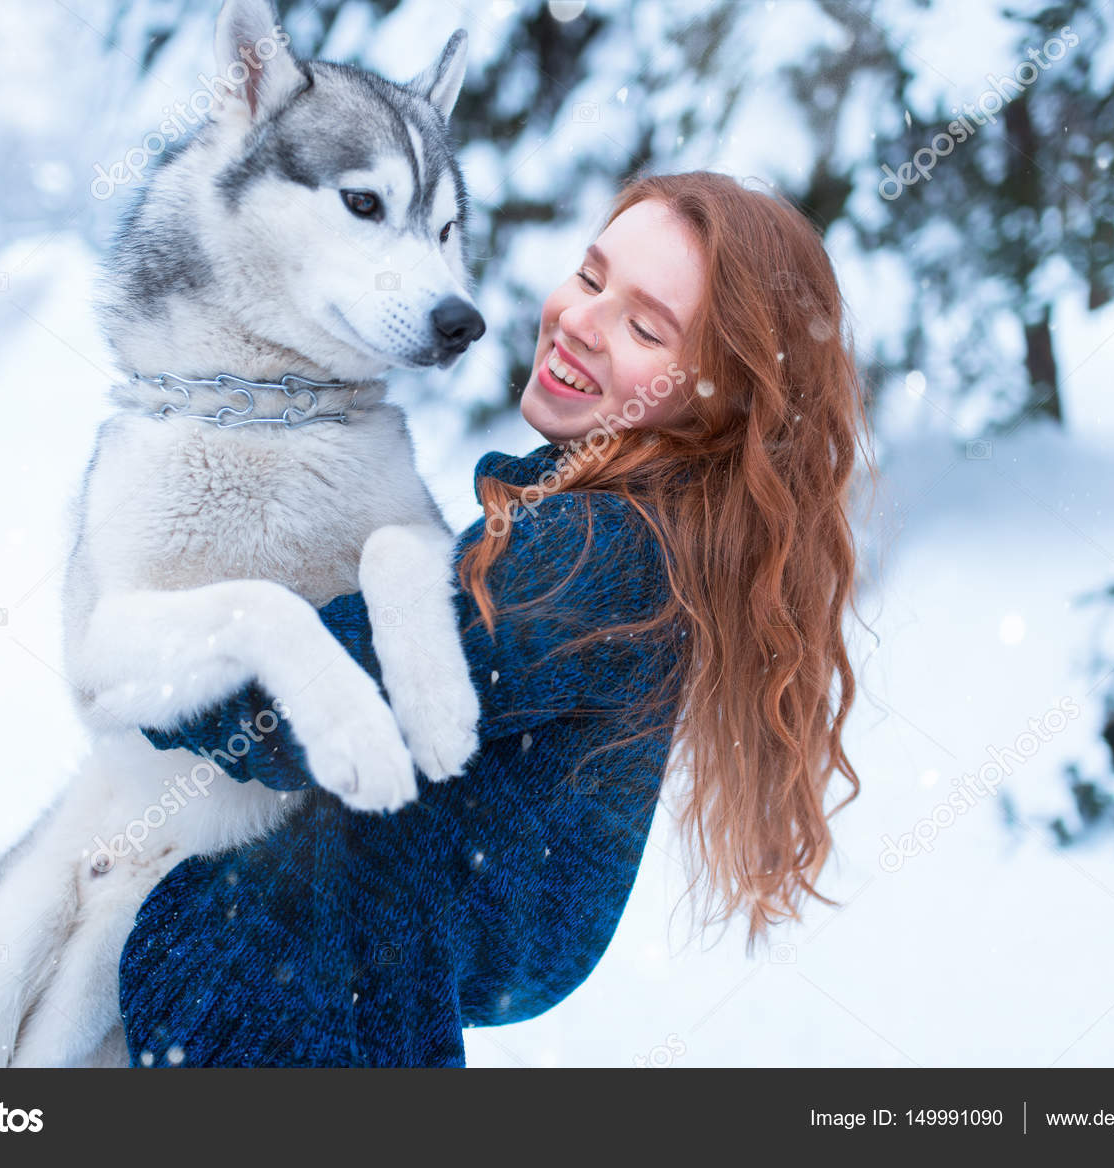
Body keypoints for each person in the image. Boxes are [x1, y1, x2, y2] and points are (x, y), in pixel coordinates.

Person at [117, 170, 874, 1067]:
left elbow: (316, 706)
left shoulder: (599, 552)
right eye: (591, 278)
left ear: (720, 397)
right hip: (343, 1006)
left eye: (644, 326)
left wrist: (149, 659)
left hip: (287, 1008)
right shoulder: (647, 543)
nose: (582, 321)